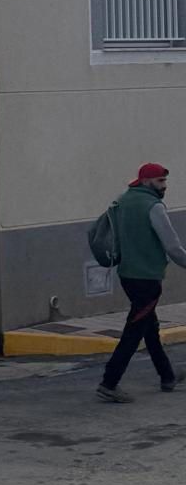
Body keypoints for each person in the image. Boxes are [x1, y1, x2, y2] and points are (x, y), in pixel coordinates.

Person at [97, 162, 186, 403]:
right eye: (160, 181)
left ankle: (167, 375)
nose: (164, 186)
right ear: (146, 181)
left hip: (127, 274)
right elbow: (173, 247)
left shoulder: (123, 200)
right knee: (134, 330)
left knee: (149, 326)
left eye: (165, 181)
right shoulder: (153, 206)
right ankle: (109, 382)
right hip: (147, 278)